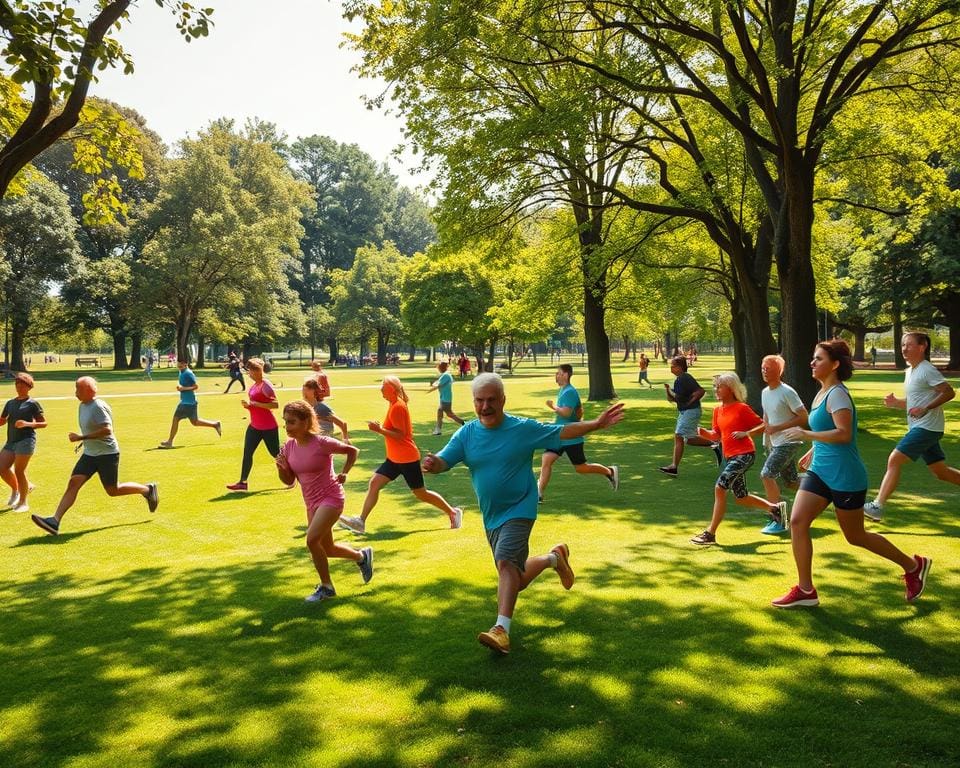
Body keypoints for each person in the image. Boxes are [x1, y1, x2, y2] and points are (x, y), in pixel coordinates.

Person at [423, 373, 624, 654]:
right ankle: (555, 558)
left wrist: (597, 424)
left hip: (521, 507)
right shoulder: (467, 433)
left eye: (491, 400)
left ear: (503, 400)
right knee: (513, 580)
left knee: (506, 563)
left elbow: (561, 432)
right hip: (492, 515)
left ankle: (501, 630)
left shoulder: (521, 428)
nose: (485, 406)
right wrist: (435, 464)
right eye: (480, 401)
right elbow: (446, 459)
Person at [771, 339, 931, 608]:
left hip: (846, 476)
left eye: (818, 359)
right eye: (813, 357)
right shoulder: (821, 392)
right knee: (798, 522)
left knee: (856, 536)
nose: (812, 362)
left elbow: (844, 434)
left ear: (834, 364)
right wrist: (814, 447)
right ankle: (806, 590)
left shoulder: (838, 395)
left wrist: (807, 434)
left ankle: (913, 565)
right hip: (820, 471)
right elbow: (829, 429)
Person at [31, 376, 158, 535]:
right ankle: (54, 521)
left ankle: (147, 490)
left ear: (89, 391)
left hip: (107, 454)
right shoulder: (83, 406)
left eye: (78, 389)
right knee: (73, 483)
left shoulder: (98, 406)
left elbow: (107, 430)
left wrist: (81, 438)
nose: (75, 392)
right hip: (90, 454)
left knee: (113, 490)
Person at [338, 376, 462, 534]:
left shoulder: (398, 406)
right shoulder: (394, 404)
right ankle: (360, 521)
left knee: (421, 493)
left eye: (383, 387)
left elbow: (401, 434)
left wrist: (379, 430)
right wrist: (381, 428)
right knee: (375, 483)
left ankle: (453, 512)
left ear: (391, 389)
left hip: (406, 458)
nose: (381, 390)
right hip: (395, 458)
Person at [275, 400, 372, 601]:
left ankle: (327, 588)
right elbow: (289, 481)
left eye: (292, 422)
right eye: (285, 422)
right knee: (327, 548)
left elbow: (352, 451)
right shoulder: (289, 447)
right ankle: (361, 557)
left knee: (311, 540)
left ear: (305, 422)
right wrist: (282, 468)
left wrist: (344, 472)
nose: (287, 427)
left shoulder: (321, 442)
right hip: (311, 503)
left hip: (331, 497)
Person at [864, 332, 960, 522]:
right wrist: (896, 403)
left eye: (908, 345)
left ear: (922, 346)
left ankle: (877, 506)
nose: (904, 349)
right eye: (902, 345)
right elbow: (914, 403)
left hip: (926, 428)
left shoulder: (926, 369)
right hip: (923, 427)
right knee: (940, 472)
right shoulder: (910, 371)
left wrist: (926, 408)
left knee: (895, 459)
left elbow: (949, 392)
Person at [689, 372, 789, 545]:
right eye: (716, 386)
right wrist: (700, 432)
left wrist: (746, 433)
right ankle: (776, 510)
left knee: (720, 488)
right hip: (730, 457)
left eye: (720, 386)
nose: (716, 389)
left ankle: (710, 534)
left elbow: (764, 424)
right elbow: (715, 436)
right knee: (741, 497)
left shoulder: (741, 408)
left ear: (731, 388)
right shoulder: (717, 410)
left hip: (744, 454)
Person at [745, 355, 808, 535]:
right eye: (763, 368)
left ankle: (778, 519)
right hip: (776, 443)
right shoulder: (765, 392)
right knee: (791, 481)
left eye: (769, 368)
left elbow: (804, 417)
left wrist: (778, 428)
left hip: (790, 441)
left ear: (779, 371)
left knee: (767, 474)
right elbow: (767, 420)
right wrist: (761, 437)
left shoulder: (787, 392)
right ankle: (822, 487)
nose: (765, 371)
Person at [537, 364, 619, 502]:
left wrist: (553, 407)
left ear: (566, 375)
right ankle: (539, 494)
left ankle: (609, 471)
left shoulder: (569, 391)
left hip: (571, 437)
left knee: (581, 468)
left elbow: (567, 413)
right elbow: (575, 413)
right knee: (546, 460)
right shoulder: (564, 390)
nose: (556, 376)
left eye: (558, 373)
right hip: (559, 435)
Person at [659, 355, 722, 475]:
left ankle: (716, 444)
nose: (671, 368)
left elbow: (700, 391)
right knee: (686, 439)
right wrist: (668, 390)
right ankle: (716, 444)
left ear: (681, 367)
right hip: (684, 412)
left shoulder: (685, 378)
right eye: (671, 366)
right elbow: (674, 399)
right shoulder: (678, 380)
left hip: (691, 411)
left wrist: (690, 402)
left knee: (681, 436)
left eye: (673, 366)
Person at [226, 358, 280, 491]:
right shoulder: (255, 385)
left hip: (268, 426)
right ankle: (242, 482)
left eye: (250, 371)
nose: (248, 374)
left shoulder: (265, 385)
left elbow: (275, 404)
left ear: (257, 371)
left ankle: (293, 476)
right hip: (254, 426)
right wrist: (249, 406)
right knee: (247, 453)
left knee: (276, 454)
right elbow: (255, 405)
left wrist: (256, 404)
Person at [0, 372, 46, 512]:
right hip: (11, 441)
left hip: (26, 440)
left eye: (22, 384)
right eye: (17, 384)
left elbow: (43, 423)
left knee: (20, 471)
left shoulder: (32, 404)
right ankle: (16, 490)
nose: (19, 387)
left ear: (29, 387)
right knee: (2, 468)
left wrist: (27, 423)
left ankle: (23, 502)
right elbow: (2, 421)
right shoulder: (10, 403)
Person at [159, 359, 222, 448]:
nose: (179, 366)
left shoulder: (188, 373)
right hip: (189, 402)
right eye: (178, 365)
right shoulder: (181, 372)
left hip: (187, 403)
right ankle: (215, 424)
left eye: (181, 365)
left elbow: (196, 386)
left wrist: (183, 389)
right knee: (195, 422)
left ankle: (170, 442)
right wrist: (181, 387)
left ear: (186, 364)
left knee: (175, 419)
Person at [427, 361, 465, 436]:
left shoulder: (446, 376)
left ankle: (438, 430)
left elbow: (437, 384)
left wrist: (432, 386)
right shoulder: (445, 375)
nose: (438, 369)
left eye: (439, 367)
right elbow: (436, 383)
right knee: (449, 414)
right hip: (445, 397)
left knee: (442, 412)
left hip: (445, 398)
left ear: (442, 367)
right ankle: (464, 423)